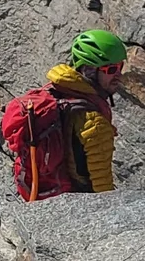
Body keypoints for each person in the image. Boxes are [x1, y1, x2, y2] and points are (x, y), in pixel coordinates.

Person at [47, 27, 128, 193]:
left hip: (51, 191)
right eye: (111, 69)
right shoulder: (94, 123)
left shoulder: (60, 88)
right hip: (78, 198)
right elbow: (103, 187)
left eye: (120, 66)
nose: (119, 75)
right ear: (89, 70)